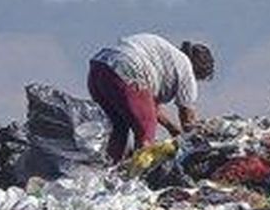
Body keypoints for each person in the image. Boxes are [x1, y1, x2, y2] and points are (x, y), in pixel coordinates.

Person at [87, 33, 214, 162]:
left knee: (119, 126)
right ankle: (137, 175)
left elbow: (148, 106)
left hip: (99, 67)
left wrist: (173, 130)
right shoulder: (186, 67)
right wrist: (196, 138)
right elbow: (188, 119)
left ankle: (110, 167)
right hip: (127, 68)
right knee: (146, 130)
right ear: (198, 70)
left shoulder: (168, 59)